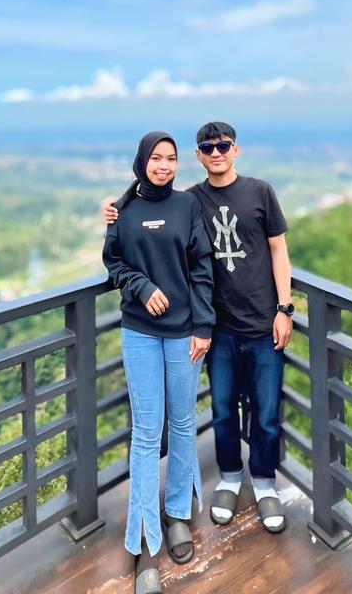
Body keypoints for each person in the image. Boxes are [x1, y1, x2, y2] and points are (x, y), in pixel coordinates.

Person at [106, 121, 294, 535]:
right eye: (207, 148)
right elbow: (147, 202)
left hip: (261, 322)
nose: (216, 153)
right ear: (198, 156)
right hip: (217, 327)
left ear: (236, 150)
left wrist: (285, 308)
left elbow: (279, 249)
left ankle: (265, 484)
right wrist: (114, 207)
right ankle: (229, 479)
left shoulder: (260, 192)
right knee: (222, 409)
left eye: (223, 146)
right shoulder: (191, 200)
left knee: (265, 412)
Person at [102, 131, 214, 594]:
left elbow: (202, 266)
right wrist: (142, 287)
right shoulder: (121, 211)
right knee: (147, 433)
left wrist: (204, 325)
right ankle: (145, 545)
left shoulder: (187, 206)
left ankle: (178, 513)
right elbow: (114, 264)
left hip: (185, 333)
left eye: (171, 158)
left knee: (184, 423)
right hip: (140, 333)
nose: (164, 165)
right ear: (141, 162)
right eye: (156, 158)